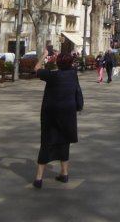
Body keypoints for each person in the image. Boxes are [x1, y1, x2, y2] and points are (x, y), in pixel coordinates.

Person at [33, 52, 84, 189]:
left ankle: (39, 178)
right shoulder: (73, 75)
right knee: (64, 142)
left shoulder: (52, 76)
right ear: (70, 63)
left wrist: (44, 55)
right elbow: (77, 89)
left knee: (46, 142)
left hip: (51, 113)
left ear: (57, 63)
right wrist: (79, 106)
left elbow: (36, 69)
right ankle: (64, 173)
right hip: (67, 113)